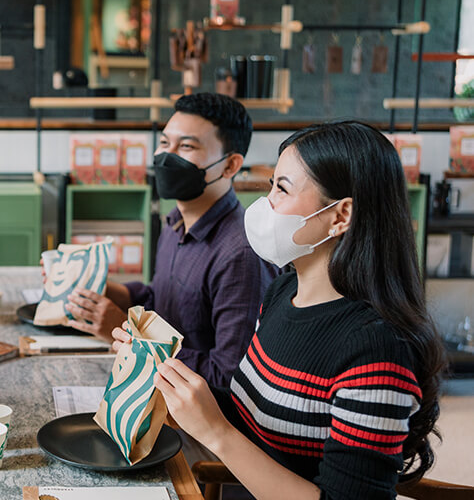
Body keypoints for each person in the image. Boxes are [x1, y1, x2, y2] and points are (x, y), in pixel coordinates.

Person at [115, 121, 446, 499]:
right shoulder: (283, 291)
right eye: (271, 184)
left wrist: (215, 433)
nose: (265, 203)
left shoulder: (377, 349)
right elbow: (253, 414)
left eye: (282, 189)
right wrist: (161, 373)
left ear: (340, 216)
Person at [65, 93, 278, 388]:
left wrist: (130, 336)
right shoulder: (174, 221)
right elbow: (163, 303)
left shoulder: (241, 255)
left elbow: (227, 378)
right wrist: (95, 286)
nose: (167, 156)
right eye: (165, 143)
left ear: (230, 166)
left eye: (186, 146)